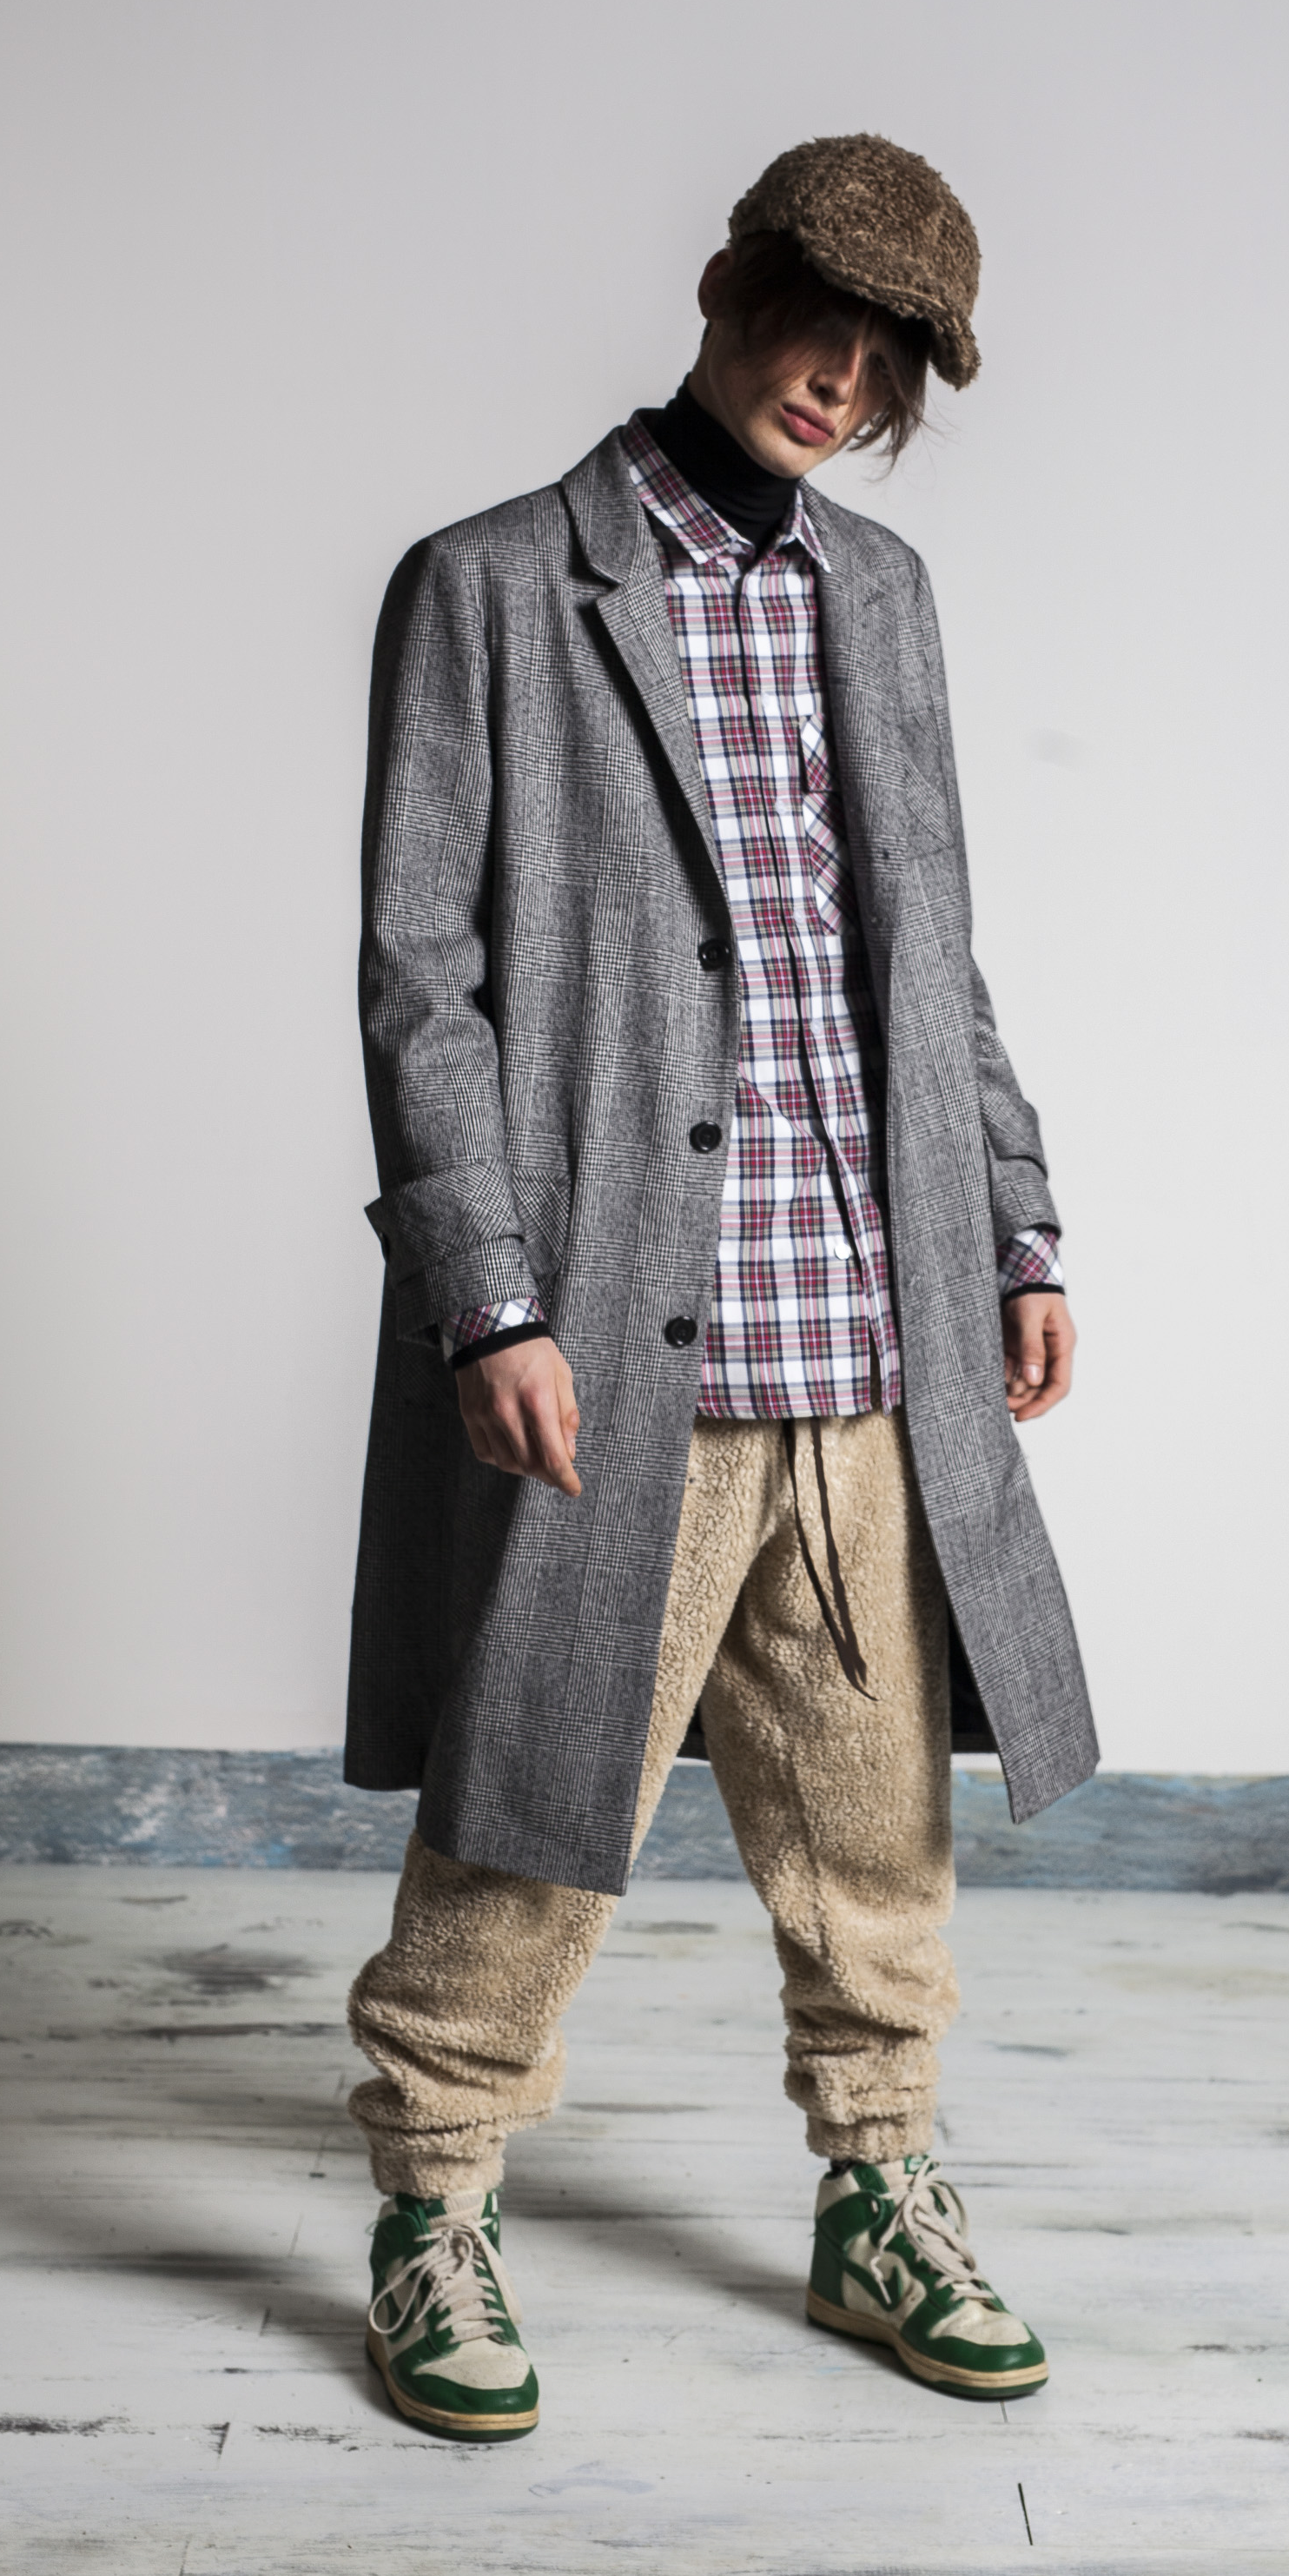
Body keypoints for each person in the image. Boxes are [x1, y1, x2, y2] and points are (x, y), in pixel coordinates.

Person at [342, 134, 1096, 2439]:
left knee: (875, 1827)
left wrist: (1018, 1217)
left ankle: (882, 2191)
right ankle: (435, 2207)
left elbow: (931, 950)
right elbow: (421, 976)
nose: (838, 379)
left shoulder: (882, 593)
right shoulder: (492, 584)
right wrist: (487, 1295)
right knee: (529, 1799)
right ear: (722, 284)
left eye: (887, 360)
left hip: (867, 1325)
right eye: (811, 319)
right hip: (614, 1329)